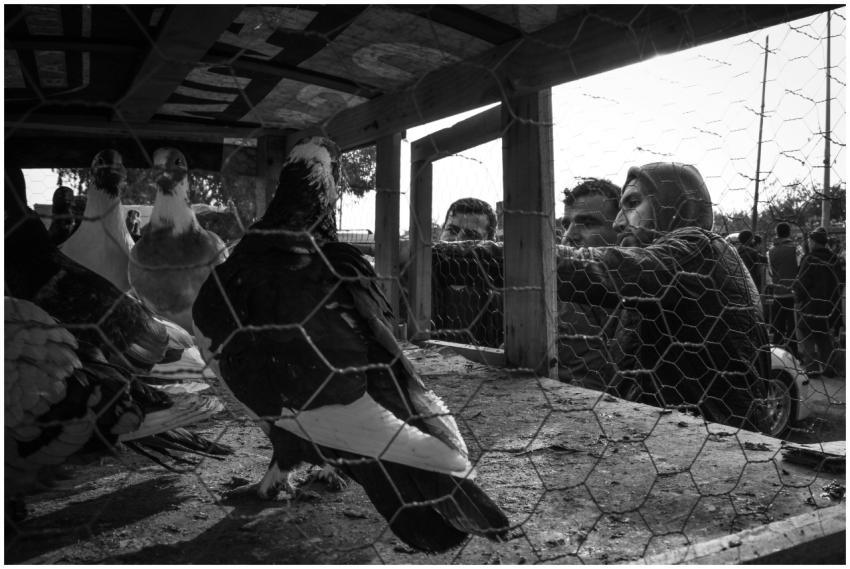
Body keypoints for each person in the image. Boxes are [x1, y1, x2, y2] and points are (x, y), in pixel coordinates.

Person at [557, 178, 621, 390]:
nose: (569, 236)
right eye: (566, 224)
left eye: (588, 223)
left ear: (621, 227)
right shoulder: (553, 302)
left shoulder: (646, 300)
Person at [432, 198, 502, 346]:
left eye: (470, 235)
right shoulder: (415, 283)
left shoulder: (502, 304)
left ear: (490, 241)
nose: (457, 240)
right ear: (442, 230)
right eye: (452, 230)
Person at [794, 227, 843, 377]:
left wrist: (797, 295)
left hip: (812, 305)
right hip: (831, 305)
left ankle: (812, 368)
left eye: (810, 240)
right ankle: (829, 368)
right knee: (823, 335)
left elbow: (802, 283)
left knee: (806, 332)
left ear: (814, 242)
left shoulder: (809, 259)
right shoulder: (835, 259)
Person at [767, 222, 801, 353]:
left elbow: (770, 272)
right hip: (793, 295)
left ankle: (777, 356)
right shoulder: (796, 249)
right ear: (789, 233)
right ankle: (795, 355)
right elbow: (800, 269)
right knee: (793, 327)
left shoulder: (770, 251)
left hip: (778, 295)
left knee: (778, 328)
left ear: (777, 234)